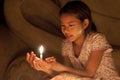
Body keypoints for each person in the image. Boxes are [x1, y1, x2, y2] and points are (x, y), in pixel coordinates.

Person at [26, 1, 120, 80]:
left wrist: (59, 67)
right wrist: (45, 68)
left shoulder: (96, 40)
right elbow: (71, 76)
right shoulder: (67, 45)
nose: (66, 30)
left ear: (85, 24)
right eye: (63, 26)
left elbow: (90, 74)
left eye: (71, 25)